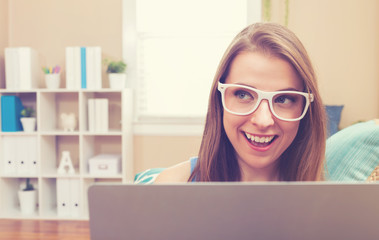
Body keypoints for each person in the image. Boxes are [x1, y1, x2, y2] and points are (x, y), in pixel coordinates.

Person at [155, 22, 326, 183]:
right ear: (220, 101)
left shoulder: (325, 204)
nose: (263, 121)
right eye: (244, 95)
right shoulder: (172, 184)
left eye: (283, 99)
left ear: (306, 109)